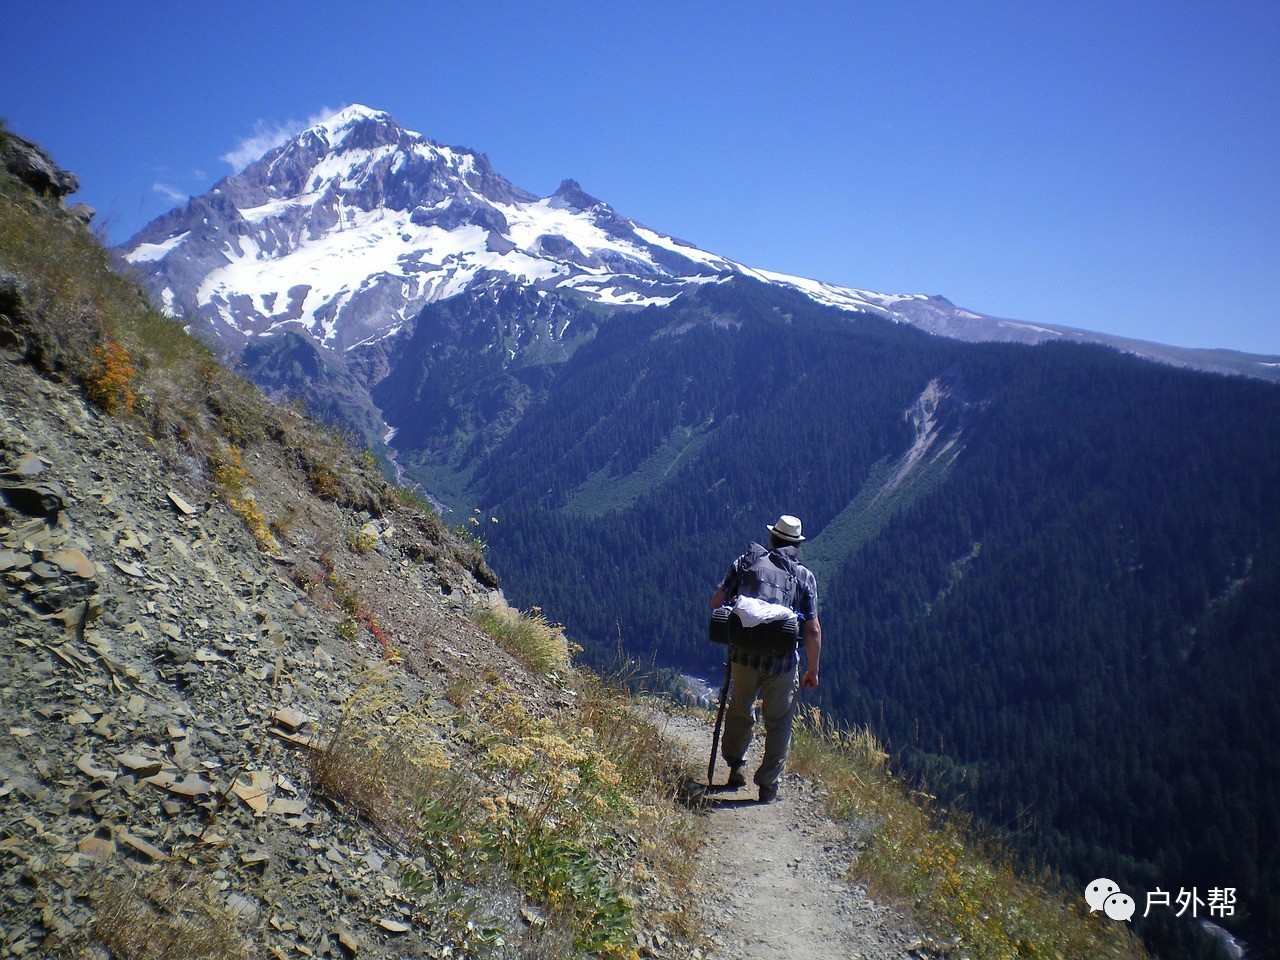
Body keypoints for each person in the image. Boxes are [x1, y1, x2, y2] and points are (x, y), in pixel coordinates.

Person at [709, 514, 822, 803]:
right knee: (779, 720)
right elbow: (812, 628)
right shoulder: (804, 576)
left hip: (743, 655)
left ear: (772, 539)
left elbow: (716, 601)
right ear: (797, 545)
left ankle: (735, 765)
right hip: (782, 661)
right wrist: (813, 668)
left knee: (740, 708)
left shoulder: (746, 562)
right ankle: (768, 784)